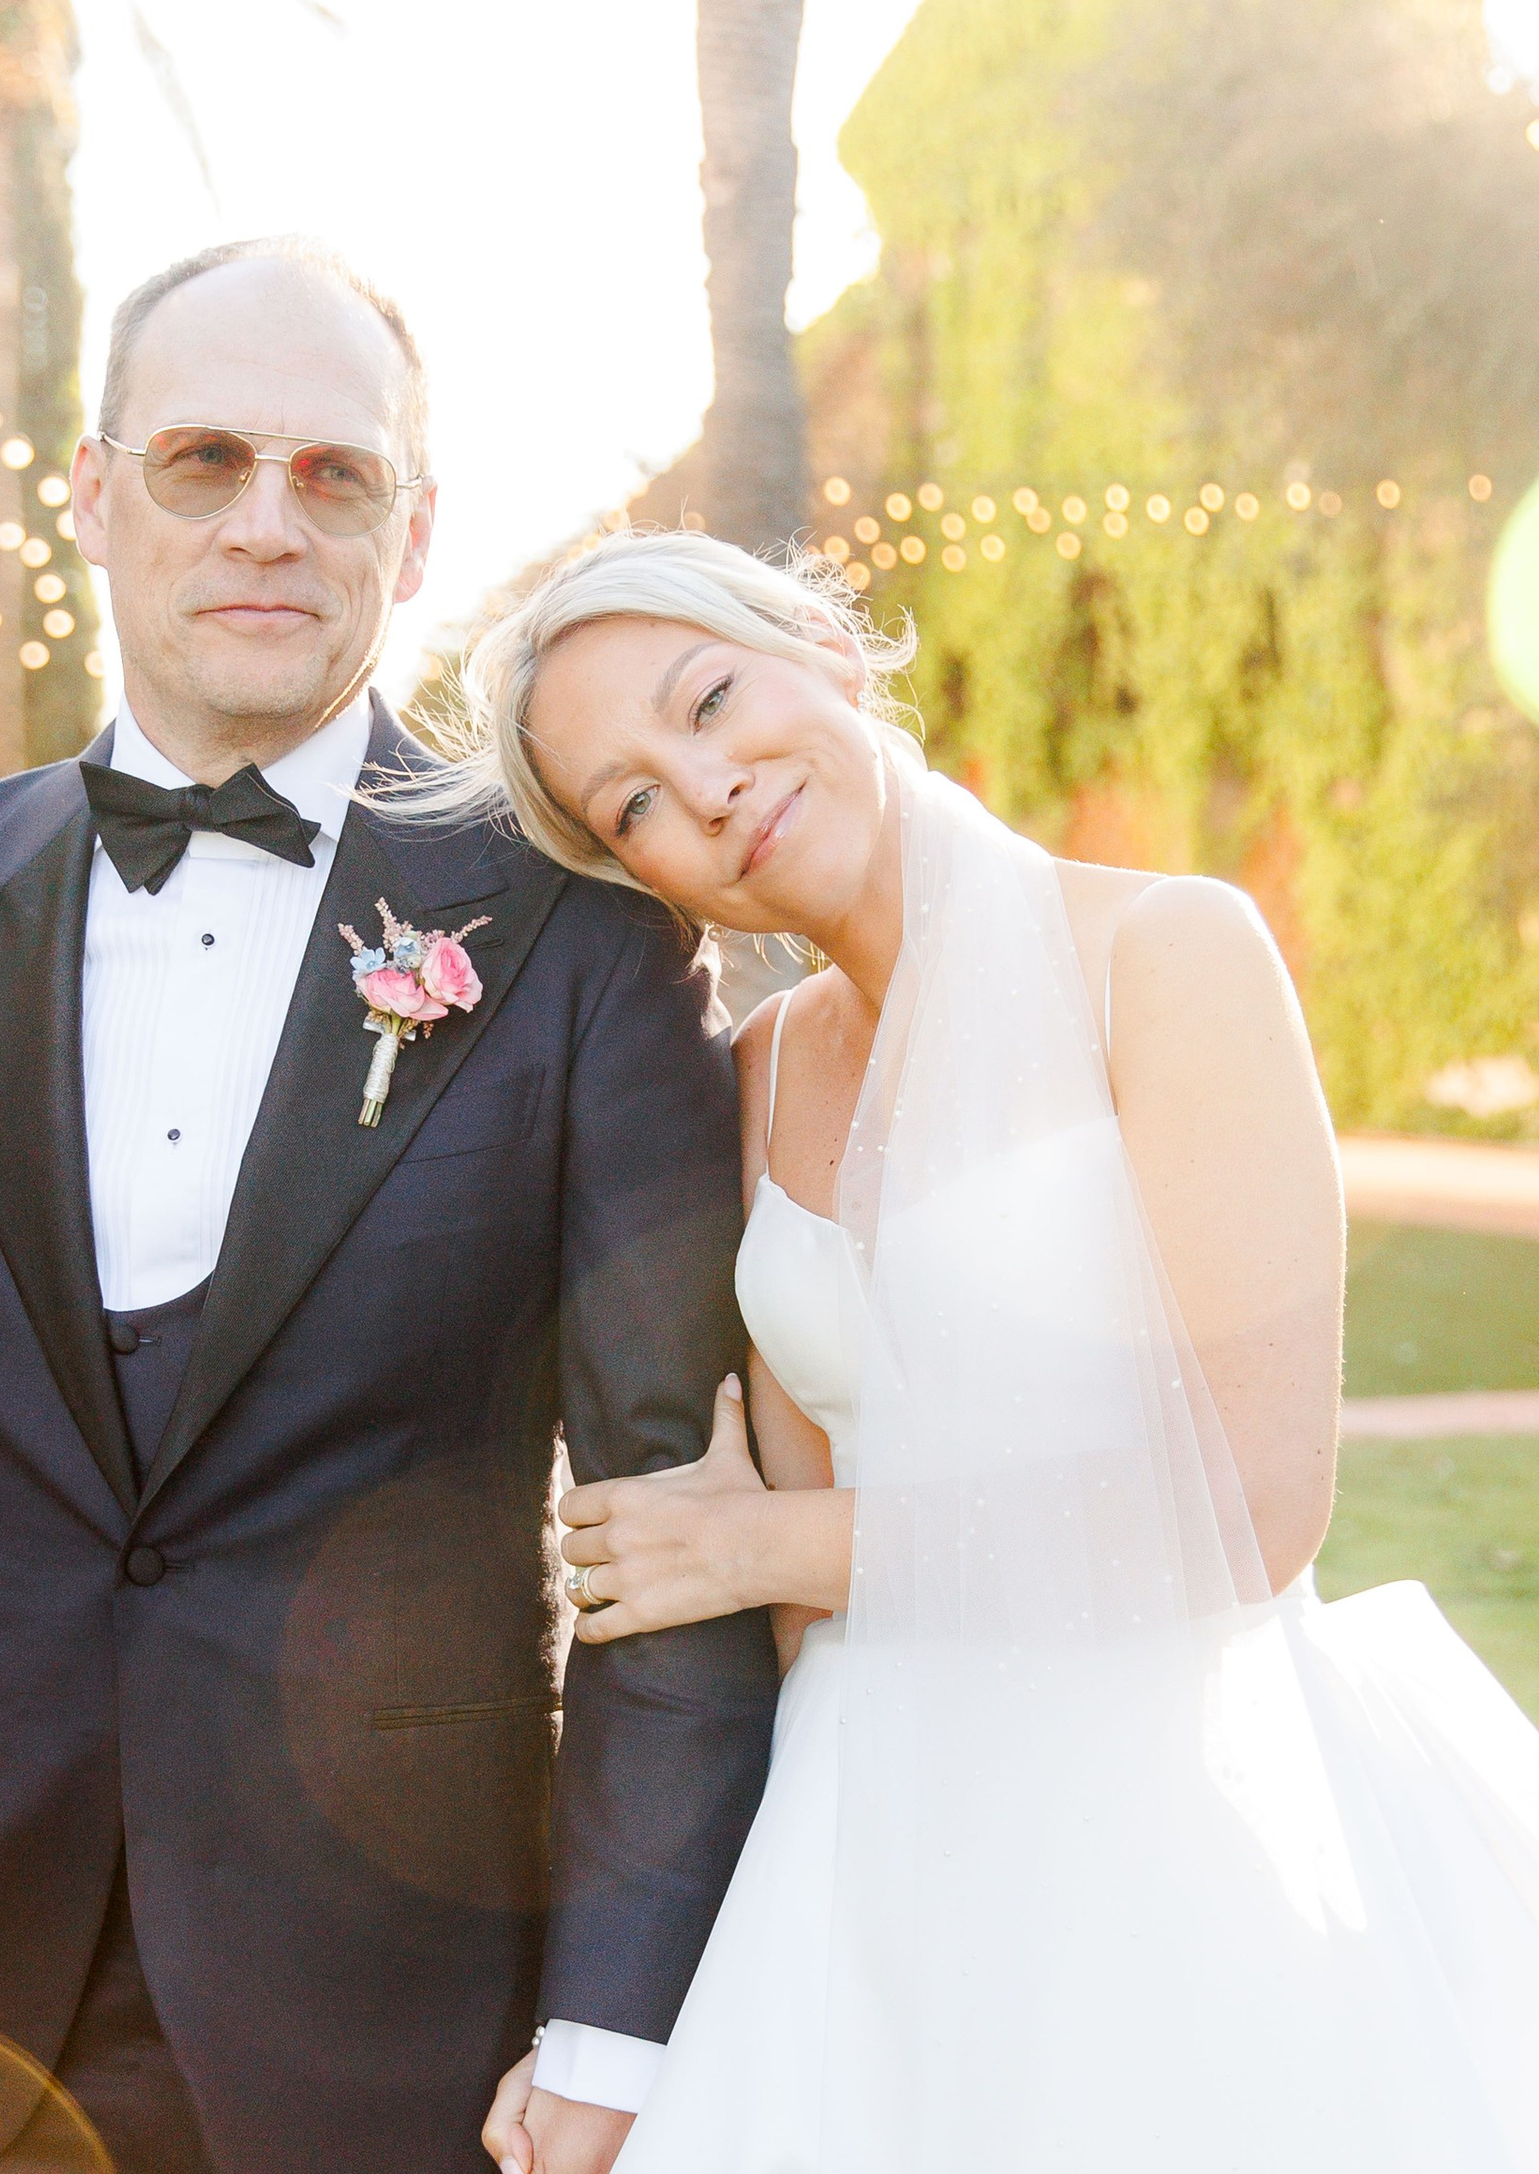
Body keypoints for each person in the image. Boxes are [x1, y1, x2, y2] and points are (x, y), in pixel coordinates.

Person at [0, 243, 776, 2174]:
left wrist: (609, 2019)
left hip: (409, 2030)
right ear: (95, 494)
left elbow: (670, 1538)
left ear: (415, 530)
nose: (267, 523)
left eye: (334, 473)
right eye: (205, 459)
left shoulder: (583, 937)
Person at [450, 528, 1539, 2173]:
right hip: (861, 1860)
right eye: (636, 804)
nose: (709, 787)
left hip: (1174, 1834)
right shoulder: (749, 1081)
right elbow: (797, 1619)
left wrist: (764, 1543)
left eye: (711, 699)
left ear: (823, 645)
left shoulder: (1168, 957)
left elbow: (1253, 1503)